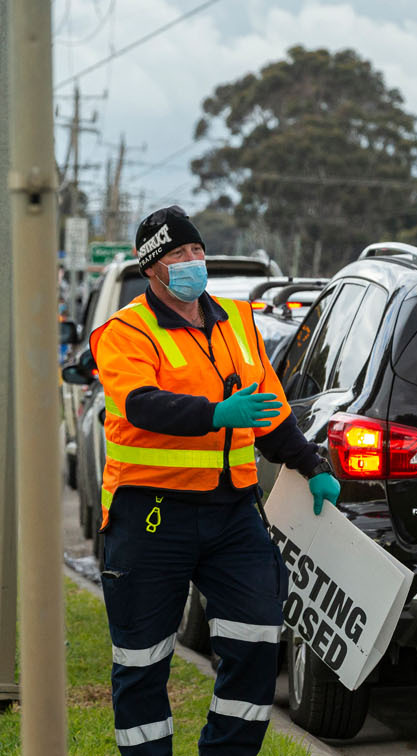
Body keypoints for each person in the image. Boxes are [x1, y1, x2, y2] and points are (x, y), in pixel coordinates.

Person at [89, 205, 341, 755]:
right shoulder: (124, 330)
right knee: (142, 661)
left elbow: (268, 408)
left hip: (231, 513)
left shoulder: (238, 320)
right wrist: (214, 414)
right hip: (151, 513)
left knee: (257, 640)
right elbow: (139, 404)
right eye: (178, 254)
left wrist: (310, 465)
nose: (193, 261)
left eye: (197, 250)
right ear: (152, 268)